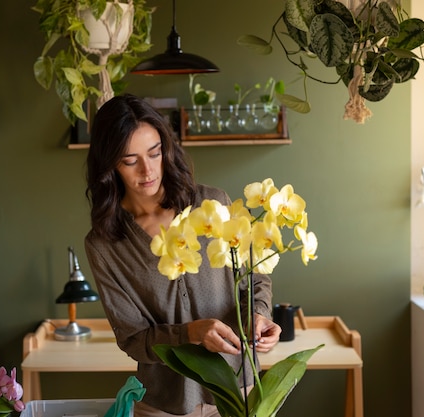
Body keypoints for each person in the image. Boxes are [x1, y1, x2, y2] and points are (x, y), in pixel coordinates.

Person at [84, 94, 281, 417]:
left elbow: (254, 277)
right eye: (130, 160)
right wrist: (190, 334)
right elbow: (133, 338)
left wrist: (259, 315)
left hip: (240, 395)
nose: (147, 170)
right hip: (165, 405)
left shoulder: (212, 205)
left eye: (154, 153)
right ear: (109, 165)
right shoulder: (105, 244)